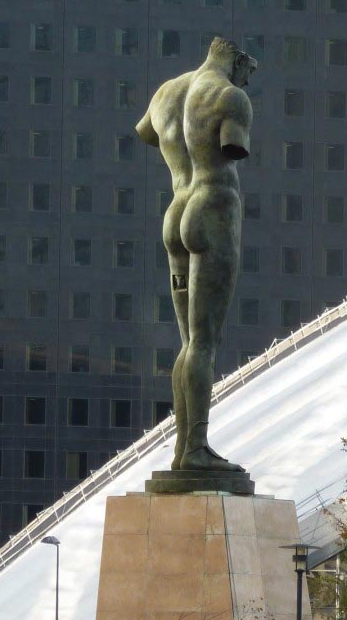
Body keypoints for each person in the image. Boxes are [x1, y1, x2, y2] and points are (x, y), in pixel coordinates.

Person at [136, 37, 257, 472]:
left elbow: (146, 132)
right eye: (249, 70)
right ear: (237, 61)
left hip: (175, 211)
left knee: (188, 343)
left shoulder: (167, 92)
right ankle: (195, 447)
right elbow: (231, 149)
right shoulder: (230, 96)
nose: (249, 79)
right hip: (213, 209)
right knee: (204, 342)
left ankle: (183, 448)